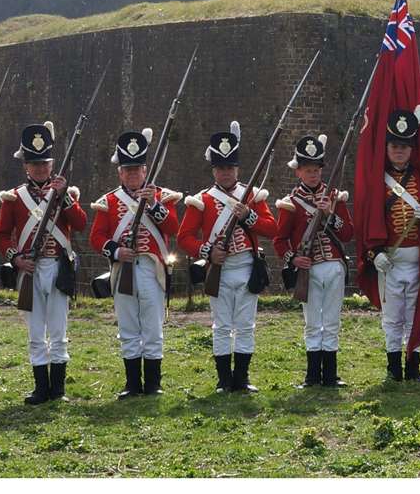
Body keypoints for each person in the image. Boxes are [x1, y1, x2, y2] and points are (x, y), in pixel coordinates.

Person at [178, 123, 276, 394]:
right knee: (221, 326)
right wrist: (208, 252)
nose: (226, 173)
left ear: (237, 169)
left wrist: (249, 216)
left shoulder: (252, 196)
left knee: (245, 326)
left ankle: (241, 379)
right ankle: (224, 380)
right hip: (218, 269)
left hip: (246, 266)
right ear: (214, 170)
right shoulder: (202, 200)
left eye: (230, 168)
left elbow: (272, 228)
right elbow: (184, 237)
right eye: (221, 168)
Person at [0, 122, 90, 403]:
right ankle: (40, 388)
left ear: (51, 164)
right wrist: (16, 259)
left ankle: (58, 389)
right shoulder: (14, 198)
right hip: (30, 270)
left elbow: (81, 224)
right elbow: (2, 235)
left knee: (59, 331)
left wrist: (64, 198)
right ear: (26, 166)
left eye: (44, 163)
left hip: (57, 267)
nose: (40, 168)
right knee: (36, 331)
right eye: (34, 164)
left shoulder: (66, 194)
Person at [88, 128, 182, 398]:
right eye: (127, 170)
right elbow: (97, 237)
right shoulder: (110, 200)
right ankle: (132, 383)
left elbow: (173, 227)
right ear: (120, 172)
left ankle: (153, 383)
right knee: (129, 327)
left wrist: (152, 204)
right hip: (123, 271)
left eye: (137, 169)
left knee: (152, 327)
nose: (132, 174)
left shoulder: (161, 196)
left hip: (152, 269)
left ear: (145, 170)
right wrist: (117, 252)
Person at [362, 106, 420, 383]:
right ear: (387, 148)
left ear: (412, 149)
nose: (399, 151)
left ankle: (413, 367)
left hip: (419, 260)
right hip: (390, 260)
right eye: (395, 146)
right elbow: (368, 220)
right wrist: (373, 254)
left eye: (404, 147)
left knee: (415, 314)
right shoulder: (377, 182)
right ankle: (392, 367)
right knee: (392, 317)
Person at [272, 133, 351, 387]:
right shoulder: (291, 203)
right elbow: (280, 240)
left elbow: (348, 232)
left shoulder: (335, 198)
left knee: (331, 321)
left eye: (316, 170)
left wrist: (330, 214)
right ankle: (311, 375)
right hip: (310, 269)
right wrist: (294, 259)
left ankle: (330, 375)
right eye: (308, 170)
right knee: (312, 322)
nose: (313, 175)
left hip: (334, 267)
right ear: (299, 172)